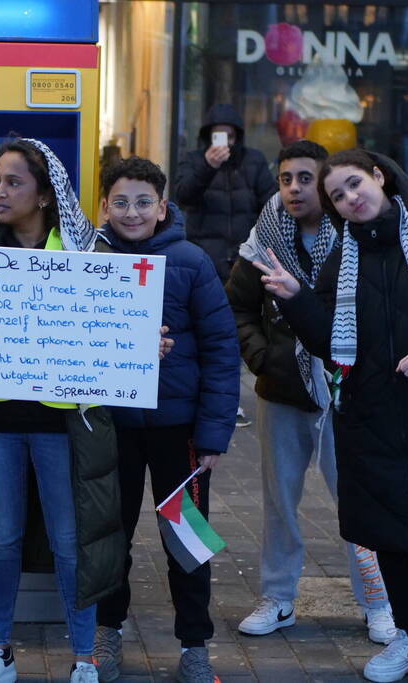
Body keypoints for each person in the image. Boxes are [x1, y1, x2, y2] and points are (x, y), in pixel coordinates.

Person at [255, 148, 408, 683]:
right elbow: (330, 341)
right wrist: (296, 299)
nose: (350, 199)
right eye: (337, 196)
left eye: (354, 185)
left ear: (378, 176)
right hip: (370, 417)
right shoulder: (342, 259)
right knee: (389, 535)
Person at [0, 137, 128, 683]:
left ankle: (85, 658)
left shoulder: (88, 255)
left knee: (71, 542)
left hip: (64, 429)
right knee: (1, 541)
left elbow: (118, 325)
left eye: (12, 182)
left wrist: (141, 345)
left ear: (45, 195)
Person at [225, 140, 396, 644]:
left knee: (359, 500)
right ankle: (278, 598)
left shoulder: (354, 234)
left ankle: (379, 601)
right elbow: (238, 306)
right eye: (285, 179)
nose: (294, 189)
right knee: (279, 501)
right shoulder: (264, 238)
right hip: (281, 389)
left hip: (348, 391)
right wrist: (262, 357)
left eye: (305, 178)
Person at [90, 157, 239, 683]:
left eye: (143, 202)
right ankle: (106, 632)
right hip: (112, 430)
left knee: (186, 542)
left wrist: (213, 435)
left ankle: (195, 645)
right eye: (121, 202)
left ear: (162, 206)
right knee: (110, 538)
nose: (131, 213)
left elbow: (222, 350)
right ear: (104, 206)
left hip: (180, 433)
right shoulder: (88, 261)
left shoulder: (192, 263)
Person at [174, 104, 275, 428]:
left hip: (246, 258)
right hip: (206, 257)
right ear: (207, 136)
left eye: (230, 135)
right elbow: (183, 196)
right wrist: (207, 166)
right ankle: (211, 400)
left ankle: (232, 401)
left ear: (238, 136)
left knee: (239, 331)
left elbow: (270, 202)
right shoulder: (194, 160)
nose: (225, 141)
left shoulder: (253, 161)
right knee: (210, 332)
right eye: (218, 134)